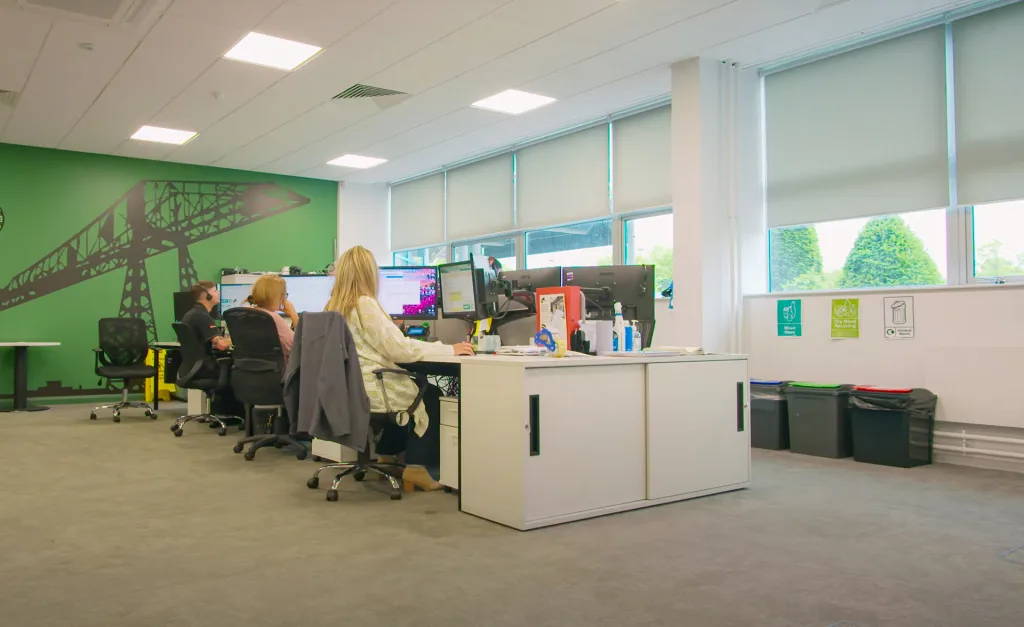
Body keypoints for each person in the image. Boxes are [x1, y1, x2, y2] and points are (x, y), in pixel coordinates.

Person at [325, 246, 474, 491]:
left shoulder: (334, 306)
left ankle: (386, 457)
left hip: (349, 387)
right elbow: (399, 349)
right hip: (371, 385)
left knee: (412, 391)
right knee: (430, 395)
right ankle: (416, 469)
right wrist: (449, 349)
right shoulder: (364, 304)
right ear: (368, 273)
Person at [180, 281, 243, 417]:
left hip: (193, 367)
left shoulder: (193, 313)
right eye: (215, 291)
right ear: (206, 295)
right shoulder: (201, 316)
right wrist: (240, 336)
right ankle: (232, 417)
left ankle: (224, 414)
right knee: (240, 371)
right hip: (204, 369)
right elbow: (221, 345)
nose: (218, 293)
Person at [245, 274, 298, 363]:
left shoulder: (246, 313)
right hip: (279, 373)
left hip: (248, 371)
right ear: (278, 296)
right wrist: (293, 314)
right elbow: (297, 347)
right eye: (284, 295)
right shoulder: (272, 318)